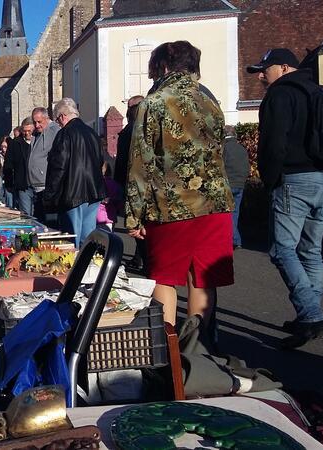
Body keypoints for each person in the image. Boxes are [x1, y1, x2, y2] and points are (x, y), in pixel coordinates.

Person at [125, 41, 234, 335]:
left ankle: (169, 353)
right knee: (202, 279)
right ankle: (198, 348)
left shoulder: (156, 102)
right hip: (215, 204)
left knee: (163, 279)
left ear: (162, 67)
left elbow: (140, 163)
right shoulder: (211, 103)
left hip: (172, 204)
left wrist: (134, 216)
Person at [247, 48, 323, 347]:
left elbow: (274, 143)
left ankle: (311, 315)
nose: (261, 75)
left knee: (282, 250)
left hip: (294, 179)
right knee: (311, 251)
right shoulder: (319, 91)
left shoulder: (280, 95)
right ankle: (308, 315)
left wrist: (270, 181)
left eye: (265, 69)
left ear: (283, 68)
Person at [44, 98, 106, 248]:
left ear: (62, 116)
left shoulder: (65, 134)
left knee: (71, 240)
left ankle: (72, 270)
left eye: (58, 120)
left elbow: (58, 167)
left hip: (72, 193)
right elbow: (100, 161)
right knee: (87, 238)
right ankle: (87, 268)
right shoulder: (92, 133)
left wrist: (50, 194)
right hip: (93, 191)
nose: (58, 124)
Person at [115, 95, 147, 271]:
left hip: (133, 183)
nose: (127, 111)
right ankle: (139, 257)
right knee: (138, 227)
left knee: (137, 226)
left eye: (130, 107)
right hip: (134, 182)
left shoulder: (132, 131)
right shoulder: (133, 129)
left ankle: (142, 259)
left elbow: (124, 160)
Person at [21, 107, 60, 221]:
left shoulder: (54, 131)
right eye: (34, 122)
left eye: (39, 122)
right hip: (36, 186)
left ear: (46, 118)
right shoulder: (37, 133)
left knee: (49, 221)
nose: (36, 125)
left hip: (46, 186)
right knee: (39, 220)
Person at [222, 125, 250, 249]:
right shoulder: (242, 149)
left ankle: (234, 239)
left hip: (228, 183)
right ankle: (235, 239)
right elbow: (247, 167)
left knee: (225, 214)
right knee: (235, 213)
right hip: (240, 184)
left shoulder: (224, 148)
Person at [4, 118, 35, 214]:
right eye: (24, 131)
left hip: (38, 183)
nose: (27, 133)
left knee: (39, 214)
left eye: (29, 131)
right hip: (23, 184)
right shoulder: (15, 143)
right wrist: (9, 184)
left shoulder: (39, 140)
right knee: (26, 214)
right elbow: (8, 164)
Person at [97, 164, 122, 232]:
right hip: (110, 218)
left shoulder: (98, 184)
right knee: (108, 239)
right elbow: (119, 203)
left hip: (97, 217)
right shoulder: (116, 185)